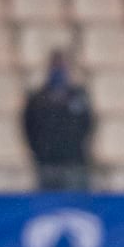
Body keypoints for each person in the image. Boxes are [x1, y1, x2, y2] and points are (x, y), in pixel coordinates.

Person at [22, 50, 94, 191]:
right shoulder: (37, 98)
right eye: (56, 65)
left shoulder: (78, 96)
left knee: (75, 202)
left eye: (62, 65)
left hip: (74, 161)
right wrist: (40, 150)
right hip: (47, 162)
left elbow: (88, 125)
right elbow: (28, 127)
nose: (59, 69)